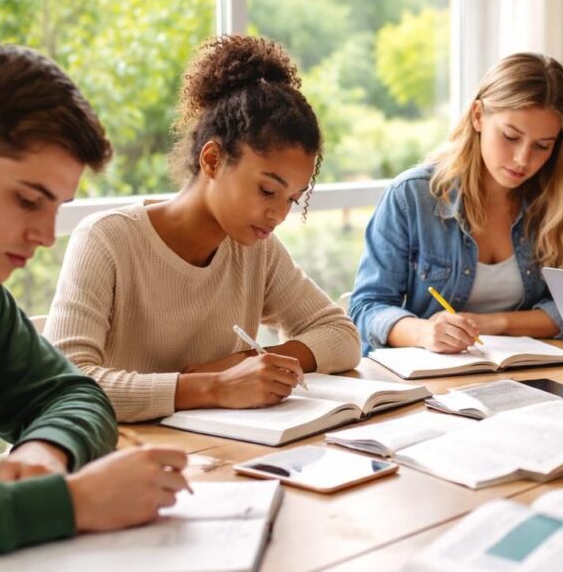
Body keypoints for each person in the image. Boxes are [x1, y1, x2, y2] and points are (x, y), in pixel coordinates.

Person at [0, 43, 190, 572]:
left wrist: (47, 451)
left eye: (56, 207)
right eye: (28, 200)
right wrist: (70, 504)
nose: (47, 236)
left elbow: (75, 395)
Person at [45, 35, 360, 423]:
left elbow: (340, 335)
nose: (278, 214)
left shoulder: (256, 248)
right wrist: (213, 386)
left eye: (292, 199)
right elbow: (67, 384)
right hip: (122, 450)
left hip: (216, 450)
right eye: (267, 190)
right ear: (212, 160)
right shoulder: (107, 240)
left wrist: (246, 362)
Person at [348, 52, 563, 355]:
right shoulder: (412, 197)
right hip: (431, 374)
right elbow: (367, 307)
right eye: (510, 136)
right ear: (478, 116)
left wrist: (497, 323)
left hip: (531, 372)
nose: (523, 159)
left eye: (542, 146)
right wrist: (424, 332)